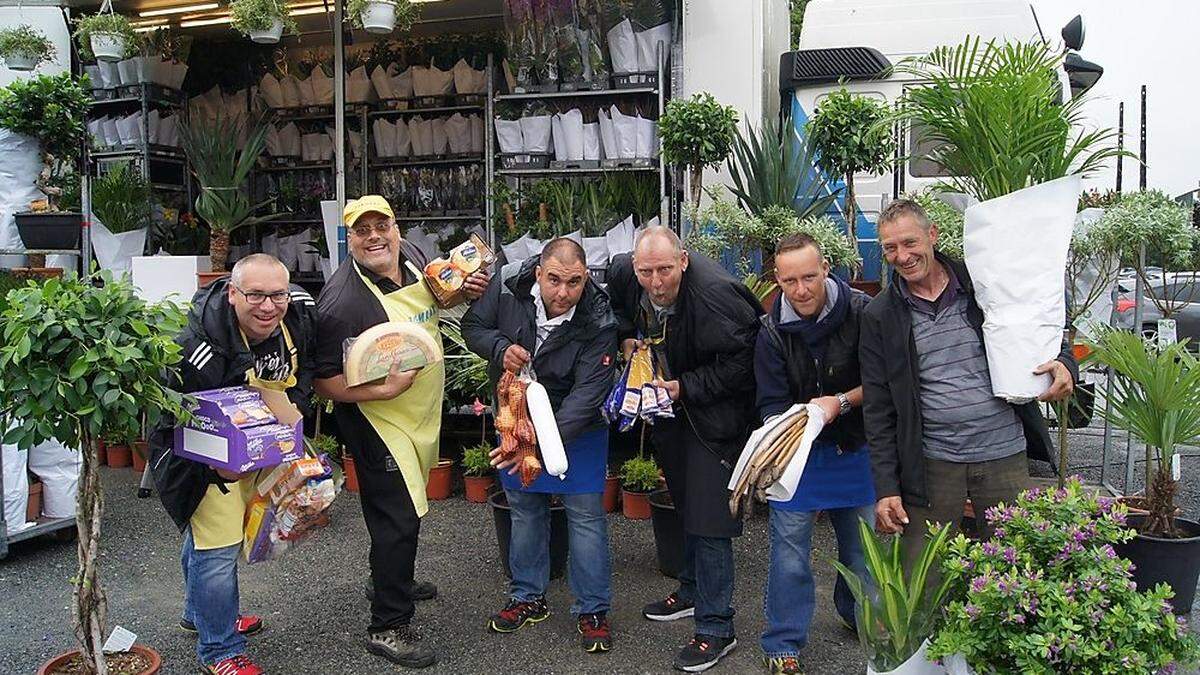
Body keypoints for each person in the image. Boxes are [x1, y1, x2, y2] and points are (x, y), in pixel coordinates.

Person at [313, 195, 488, 669]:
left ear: (396, 228)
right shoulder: (342, 302)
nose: (374, 236)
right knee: (398, 518)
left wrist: (467, 287)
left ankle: (390, 577)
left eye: (381, 225)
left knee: (398, 514)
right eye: (361, 230)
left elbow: (439, 297)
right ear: (348, 239)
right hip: (379, 421)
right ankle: (388, 624)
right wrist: (382, 391)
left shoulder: (410, 257)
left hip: (417, 412)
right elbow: (324, 381)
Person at [860, 198, 1077, 567]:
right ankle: (926, 629)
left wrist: (1065, 364)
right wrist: (886, 489)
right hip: (932, 463)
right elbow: (878, 409)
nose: (902, 255)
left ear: (932, 235)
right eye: (890, 248)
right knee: (923, 575)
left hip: (1003, 454)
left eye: (910, 242)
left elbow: (1043, 331)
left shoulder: (984, 286)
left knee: (1015, 568)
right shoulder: (880, 315)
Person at [149, 254, 317, 675]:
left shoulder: (294, 317)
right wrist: (213, 470)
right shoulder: (195, 349)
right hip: (203, 459)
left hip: (258, 448)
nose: (267, 306)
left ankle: (202, 612)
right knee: (218, 550)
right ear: (232, 293)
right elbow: (173, 421)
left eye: (276, 295)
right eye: (255, 295)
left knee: (206, 542)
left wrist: (296, 431)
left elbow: (301, 373)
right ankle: (220, 649)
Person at [607, 226, 762, 673]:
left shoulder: (716, 297)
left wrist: (682, 387)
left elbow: (745, 364)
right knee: (685, 503)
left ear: (685, 261)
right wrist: (627, 339)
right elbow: (618, 308)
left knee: (711, 519)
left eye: (665, 270)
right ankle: (692, 591)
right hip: (670, 411)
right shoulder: (623, 273)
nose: (656, 282)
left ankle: (716, 628)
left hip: (717, 419)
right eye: (647, 271)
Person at [461, 238, 618, 654]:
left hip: (576, 426)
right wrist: (499, 348)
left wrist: (538, 443)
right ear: (538, 273)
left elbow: (588, 395)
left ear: (586, 279)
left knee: (585, 516)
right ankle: (527, 596)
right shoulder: (507, 284)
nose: (562, 293)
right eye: (553, 280)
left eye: (574, 283)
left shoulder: (600, 318)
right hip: (515, 416)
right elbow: (472, 327)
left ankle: (592, 609)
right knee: (525, 510)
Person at [753, 234, 875, 675]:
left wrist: (838, 403)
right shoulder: (770, 331)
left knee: (862, 551)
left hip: (855, 446)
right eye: (789, 281)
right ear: (777, 280)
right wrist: (785, 430)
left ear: (826, 268)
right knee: (788, 553)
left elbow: (882, 384)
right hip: (799, 457)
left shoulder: (863, 313)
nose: (801, 290)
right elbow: (769, 402)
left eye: (808, 277)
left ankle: (857, 614)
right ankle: (783, 639)